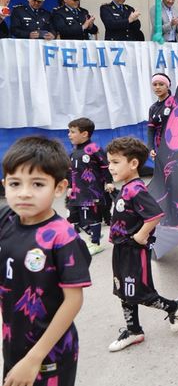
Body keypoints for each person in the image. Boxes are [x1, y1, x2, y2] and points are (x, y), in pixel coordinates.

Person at [0, 137, 92, 386]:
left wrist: (34, 358)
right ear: (4, 185)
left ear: (59, 188)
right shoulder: (7, 218)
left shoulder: (63, 237)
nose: (24, 193)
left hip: (49, 354)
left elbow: (73, 301)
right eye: (15, 183)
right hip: (13, 342)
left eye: (38, 184)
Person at [105, 138, 178, 352]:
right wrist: (113, 193)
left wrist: (140, 236)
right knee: (123, 290)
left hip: (134, 250)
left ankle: (173, 306)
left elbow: (154, 215)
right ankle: (133, 331)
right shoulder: (127, 188)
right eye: (109, 162)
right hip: (121, 248)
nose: (110, 167)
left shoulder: (136, 189)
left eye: (115, 162)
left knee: (140, 292)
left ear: (133, 164)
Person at [66, 117, 113, 256]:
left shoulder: (94, 149)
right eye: (69, 131)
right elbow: (70, 171)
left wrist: (109, 181)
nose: (69, 134)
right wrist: (69, 186)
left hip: (91, 192)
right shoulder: (73, 152)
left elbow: (105, 166)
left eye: (72, 132)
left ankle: (95, 243)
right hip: (76, 192)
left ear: (84, 134)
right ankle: (94, 233)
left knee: (91, 217)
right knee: (73, 217)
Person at [146, 73, 176, 159]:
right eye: (155, 85)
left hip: (177, 146)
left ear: (168, 86)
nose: (157, 87)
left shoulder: (175, 102)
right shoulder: (153, 108)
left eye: (161, 84)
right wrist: (151, 148)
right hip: (161, 147)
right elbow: (151, 130)